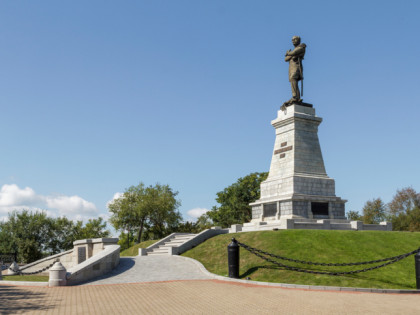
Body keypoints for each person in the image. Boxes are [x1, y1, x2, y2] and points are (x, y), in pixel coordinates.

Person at [284, 36, 306, 105]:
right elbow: (286, 59)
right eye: (292, 40)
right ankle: (297, 97)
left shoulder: (301, 47)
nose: (293, 41)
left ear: (299, 40)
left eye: (295, 39)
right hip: (291, 68)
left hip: (297, 67)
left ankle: (295, 96)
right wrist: (290, 54)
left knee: (293, 78)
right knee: (293, 81)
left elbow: (293, 53)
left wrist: (289, 53)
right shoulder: (294, 50)